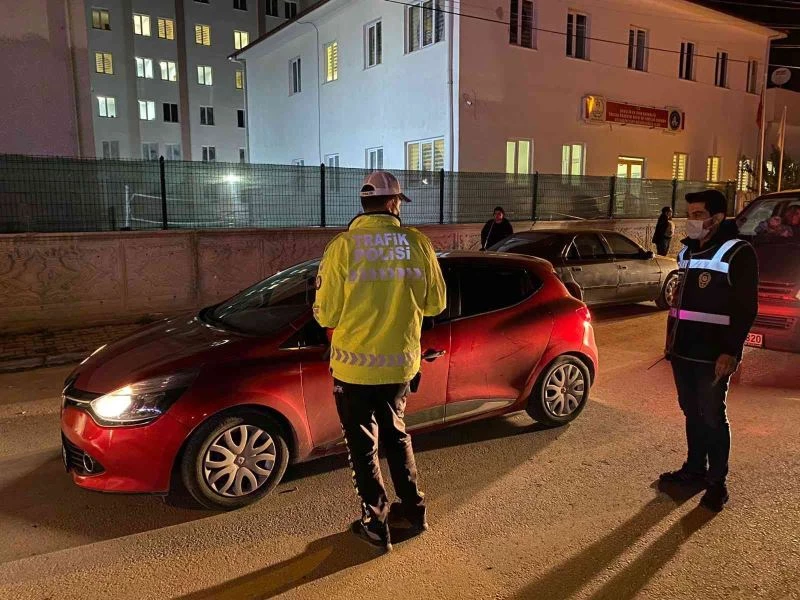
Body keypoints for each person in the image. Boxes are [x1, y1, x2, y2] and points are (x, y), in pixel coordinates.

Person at [313, 171, 447, 551]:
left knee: (362, 447)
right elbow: (436, 304)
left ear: (364, 203)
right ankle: (415, 512)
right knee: (396, 434)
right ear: (394, 203)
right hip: (400, 367)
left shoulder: (343, 246)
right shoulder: (417, 243)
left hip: (353, 370)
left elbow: (326, 314)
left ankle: (376, 524)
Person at [661, 189, 758, 512]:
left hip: (713, 356)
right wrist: (670, 345)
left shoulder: (737, 252)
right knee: (691, 412)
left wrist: (731, 352)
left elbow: (745, 309)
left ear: (717, 218)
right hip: (683, 352)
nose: (691, 221)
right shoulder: (686, 253)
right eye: (689, 214)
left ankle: (717, 484)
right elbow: (679, 304)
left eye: (698, 215)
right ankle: (694, 469)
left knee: (713, 417)